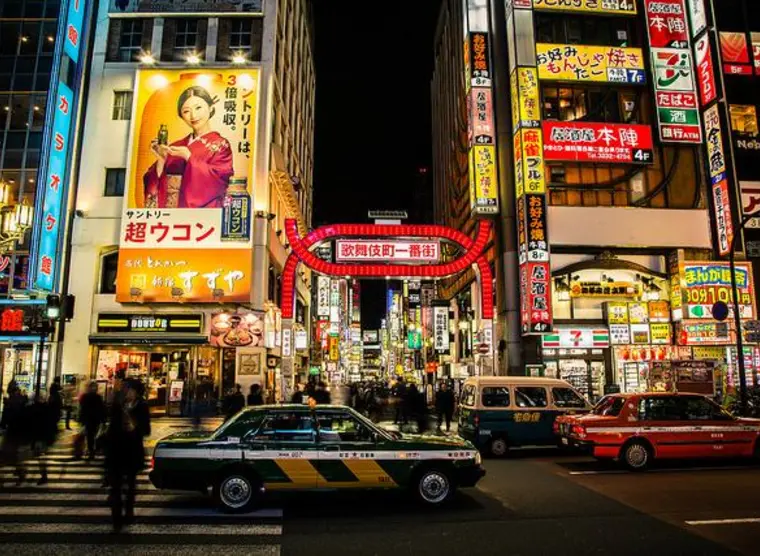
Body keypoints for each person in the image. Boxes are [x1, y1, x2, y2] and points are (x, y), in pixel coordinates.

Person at [144, 85, 234, 209]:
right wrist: (161, 159)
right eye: (186, 111)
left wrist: (189, 158)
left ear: (210, 108)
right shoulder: (175, 146)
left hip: (200, 215)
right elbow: (153, 185)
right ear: (181, 115)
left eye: (198, 108)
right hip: (170, 212)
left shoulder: (221, 145)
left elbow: (220, 181)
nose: (193, 115)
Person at [105, 379, 151, 533]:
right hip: (116, 452)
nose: (128, 393)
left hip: (132, 451)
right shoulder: (118, 407)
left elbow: (146, 430)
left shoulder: (142, 407)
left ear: (137, 392)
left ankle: (129, 511)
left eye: (131, 390)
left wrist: (135, 427)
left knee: (131, 484)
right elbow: (111, 428)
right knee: (116, 486)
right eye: (127, 390)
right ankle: (117, 518)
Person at [0, 382, 29, 485]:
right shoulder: (22, 400)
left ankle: (20, 472)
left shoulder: (10, 402)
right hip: (20, 431)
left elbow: (5, 418)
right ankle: (20, 471)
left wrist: (2, 425)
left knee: (5, 453)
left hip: (12, 431)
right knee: (12, 454)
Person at [79, 381, 106, 460]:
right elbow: (101, 409)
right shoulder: (96, 397)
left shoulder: (89, 397)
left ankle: (91, 450)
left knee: (91, 435)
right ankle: (92, 450)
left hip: (91, 419)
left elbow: (82, 409)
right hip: (92, 419)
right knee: (92, 435)